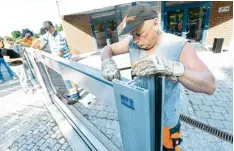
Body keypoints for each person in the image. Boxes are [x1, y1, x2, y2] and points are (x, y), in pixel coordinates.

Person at [100, 4, 216, 151]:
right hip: (141, 118)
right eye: (132, 35)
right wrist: (106, 61)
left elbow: (210, 85)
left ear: (155, 23)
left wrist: (173, 68)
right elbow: (107, 49)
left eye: (139, 33)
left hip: (167, 125)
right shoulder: (133, 43)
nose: (135, 40)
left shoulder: (177, 45)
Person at [32, 21, 80, 105]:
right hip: (60, 62)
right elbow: (40, 40)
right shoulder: (48, 35)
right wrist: (34, 46)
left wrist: (51, 61)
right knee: (66, 79)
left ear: (53, 26)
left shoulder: (59, 36)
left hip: (65, 61)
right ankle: (73, 93)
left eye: (49, 29)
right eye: (46, 29)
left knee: (69, 80)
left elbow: (60, 53)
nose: (48, 31)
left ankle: (75, 97)